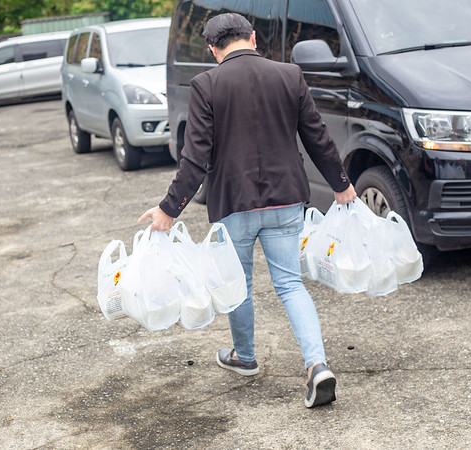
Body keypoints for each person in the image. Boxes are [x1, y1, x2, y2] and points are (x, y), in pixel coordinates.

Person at [138, 13, 357, 408]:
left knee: (239, 284)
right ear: (253, 38)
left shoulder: (206, 84)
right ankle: (317, 365)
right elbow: (318, 138)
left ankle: (245, 356)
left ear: (212, 48)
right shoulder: (289, 74)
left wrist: (169, 209)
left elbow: (195, 157)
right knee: (290, 284)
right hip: (287, 199)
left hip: (233, 203)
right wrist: (342, 185)